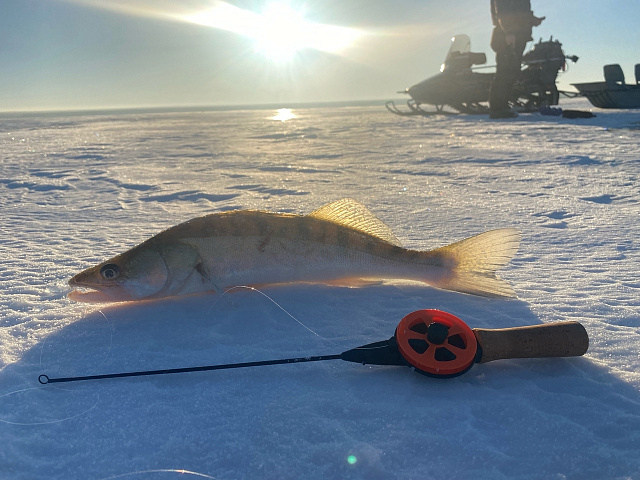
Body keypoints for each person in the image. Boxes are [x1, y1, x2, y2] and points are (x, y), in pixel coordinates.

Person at [489, 0, 544, 118]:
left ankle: (502, 107)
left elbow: (520, 13)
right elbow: (502, 11)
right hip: (508, 36)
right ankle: (497, 109)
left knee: (512, 72)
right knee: (504, 72)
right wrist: (508, 32)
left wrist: (534, 20)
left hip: (518, 35)